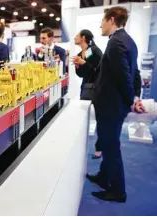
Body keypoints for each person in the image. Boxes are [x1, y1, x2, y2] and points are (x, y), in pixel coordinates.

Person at [87, 6, 141, 203]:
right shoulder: (127, 41)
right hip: (114, 105)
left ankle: (118, 192)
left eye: (102, 21)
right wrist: (135, 97)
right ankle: (104, 177)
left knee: (111, 147)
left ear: (111, 20)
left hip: (111, 106)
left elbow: (124, 77)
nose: (100, 25)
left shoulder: (116, 43)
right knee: (109, 141)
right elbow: (136, 74)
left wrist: (130, 101)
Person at [72, 29, 103, 159]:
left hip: (98, 89)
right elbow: (81, 74)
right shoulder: (80, 53)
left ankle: (99, 148)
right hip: (86, 88)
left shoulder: (94, 51)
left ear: (83, 38)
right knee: (82, 117)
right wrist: (78, 66)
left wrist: (84, 63)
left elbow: (98, 70)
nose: (75, 37)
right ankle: (80, 145)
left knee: (101, 120)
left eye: (77, 35)